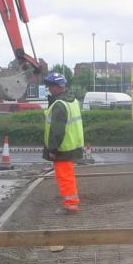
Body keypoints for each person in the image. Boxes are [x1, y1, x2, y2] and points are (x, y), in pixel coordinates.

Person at [43, 72, 84, 214]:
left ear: (55, 87)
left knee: (64, 176)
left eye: (49, 87)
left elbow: (57, 131)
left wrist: (52, 149)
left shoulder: (59, 105)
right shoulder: (72, 101)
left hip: (63, 148)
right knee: (68, 175)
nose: (48, 89)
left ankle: (71, 204)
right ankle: (71, 202)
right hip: (72, 145)